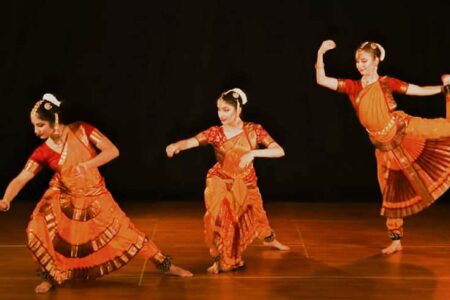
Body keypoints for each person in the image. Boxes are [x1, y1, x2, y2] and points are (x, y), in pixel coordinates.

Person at [0, 93, 193, 294]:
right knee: (39, 227)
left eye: (40, 125)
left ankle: (165, 265)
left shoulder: (82, 130)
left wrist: (87, 165)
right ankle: (50, 275)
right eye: (34, 126)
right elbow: (22, 177)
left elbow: (112, 151)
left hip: (95, 195)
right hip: (64, 196)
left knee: (127, 233)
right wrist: (6, 199)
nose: (36, 131)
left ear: (54, 120)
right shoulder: (43, 151)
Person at [315, 39, 450, 255]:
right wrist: (321, 53)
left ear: (376, 61)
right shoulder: (354, 87)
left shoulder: (387, 83)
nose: (360, 65)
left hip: (403, 129)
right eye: (358, 61)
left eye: (365, 60)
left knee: (445, 129)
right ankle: (396, 240)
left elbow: (417, 90)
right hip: (383, 148)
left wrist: (442, 88)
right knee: (390, 193)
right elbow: (321, 80)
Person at [165, 88, 289, 274]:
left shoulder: (254, 130)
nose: (220, 114)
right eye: (219, 109)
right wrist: (177, 145)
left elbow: (279, 151)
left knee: (258, 214)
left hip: (246, 182)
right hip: (221, 181)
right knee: (221, 219)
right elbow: (191, 141)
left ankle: (269, 239)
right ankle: (224, 259)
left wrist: (253, 152)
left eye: (226, 110)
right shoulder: (216, 133)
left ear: (238, 110)